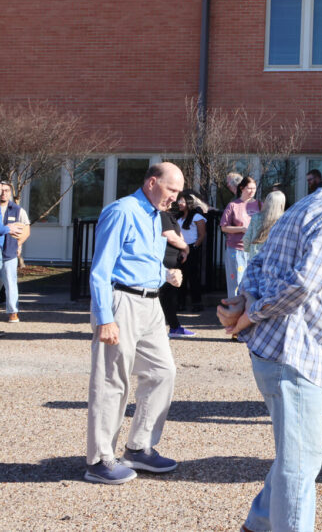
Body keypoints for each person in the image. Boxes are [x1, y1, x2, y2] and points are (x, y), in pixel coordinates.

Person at [216, 153, 322, 532]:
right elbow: (304, 282)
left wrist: (245, 299)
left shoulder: (307, 203)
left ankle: (260, 522)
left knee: (321, 424)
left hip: (290, 349)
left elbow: (258, 260)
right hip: (294, 350)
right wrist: (250, 311)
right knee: (298, 466)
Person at [85, 163, 184, 485]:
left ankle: (139, 447)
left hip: (151, 304)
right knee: (112, 380)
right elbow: (101, 269)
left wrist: (165, 274)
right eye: (171, 190)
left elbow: (139, 259)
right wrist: (105, 318)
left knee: (162, 372)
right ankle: (99, 459)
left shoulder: (155, 216)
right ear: (152, 182)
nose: (175, 198)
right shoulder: (122, 211)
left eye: (178, 192)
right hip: (121, 303)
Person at [220, 175, 260, 298]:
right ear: (242, 188)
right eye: (249, 188)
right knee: (237, 283)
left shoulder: (259, 205)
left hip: (255, 249)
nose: (252, 191)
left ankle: (249, 308)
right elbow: (224, 227)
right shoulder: (233, 205)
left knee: (254, 282)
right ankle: (235, 307)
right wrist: (241, 229)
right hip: (236, 249)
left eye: (254, 188)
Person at [159, 209, 193, 338]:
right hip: (165, 261)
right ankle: (168, 327)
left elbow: (178, 235)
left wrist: (183, 250)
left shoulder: (169, 215)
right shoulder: (161, 215)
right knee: (163, 296)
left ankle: (174, 327)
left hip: (174, 260)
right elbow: (170, 236)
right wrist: (186, 248)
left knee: (169, 297)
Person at [1, 181, 31, 323]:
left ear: (10, 193)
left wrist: (17, 245)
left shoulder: (18, 210)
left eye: (6, 190)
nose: (3, 193)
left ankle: (13, 312)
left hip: (9, 254)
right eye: (1, 190)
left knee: (10, 283)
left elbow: (26, 231)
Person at [175, 190, 207, 313]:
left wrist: (194, 246)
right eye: (179, 201)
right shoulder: (178, 217)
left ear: (188, 203)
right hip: (180, 248)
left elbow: (202, 234)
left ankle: (197, 303)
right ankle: (180, 303)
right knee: (180, 276)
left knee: (193, 277)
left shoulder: (197, 217)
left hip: (191, 248)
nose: (179, 203)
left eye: (182, 201)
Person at [243, 190, 286, 258]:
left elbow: (246, 239)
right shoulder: (284, 220)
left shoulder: (256, 217)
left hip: (255, 255)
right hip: (274, 257)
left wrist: (249, 250)